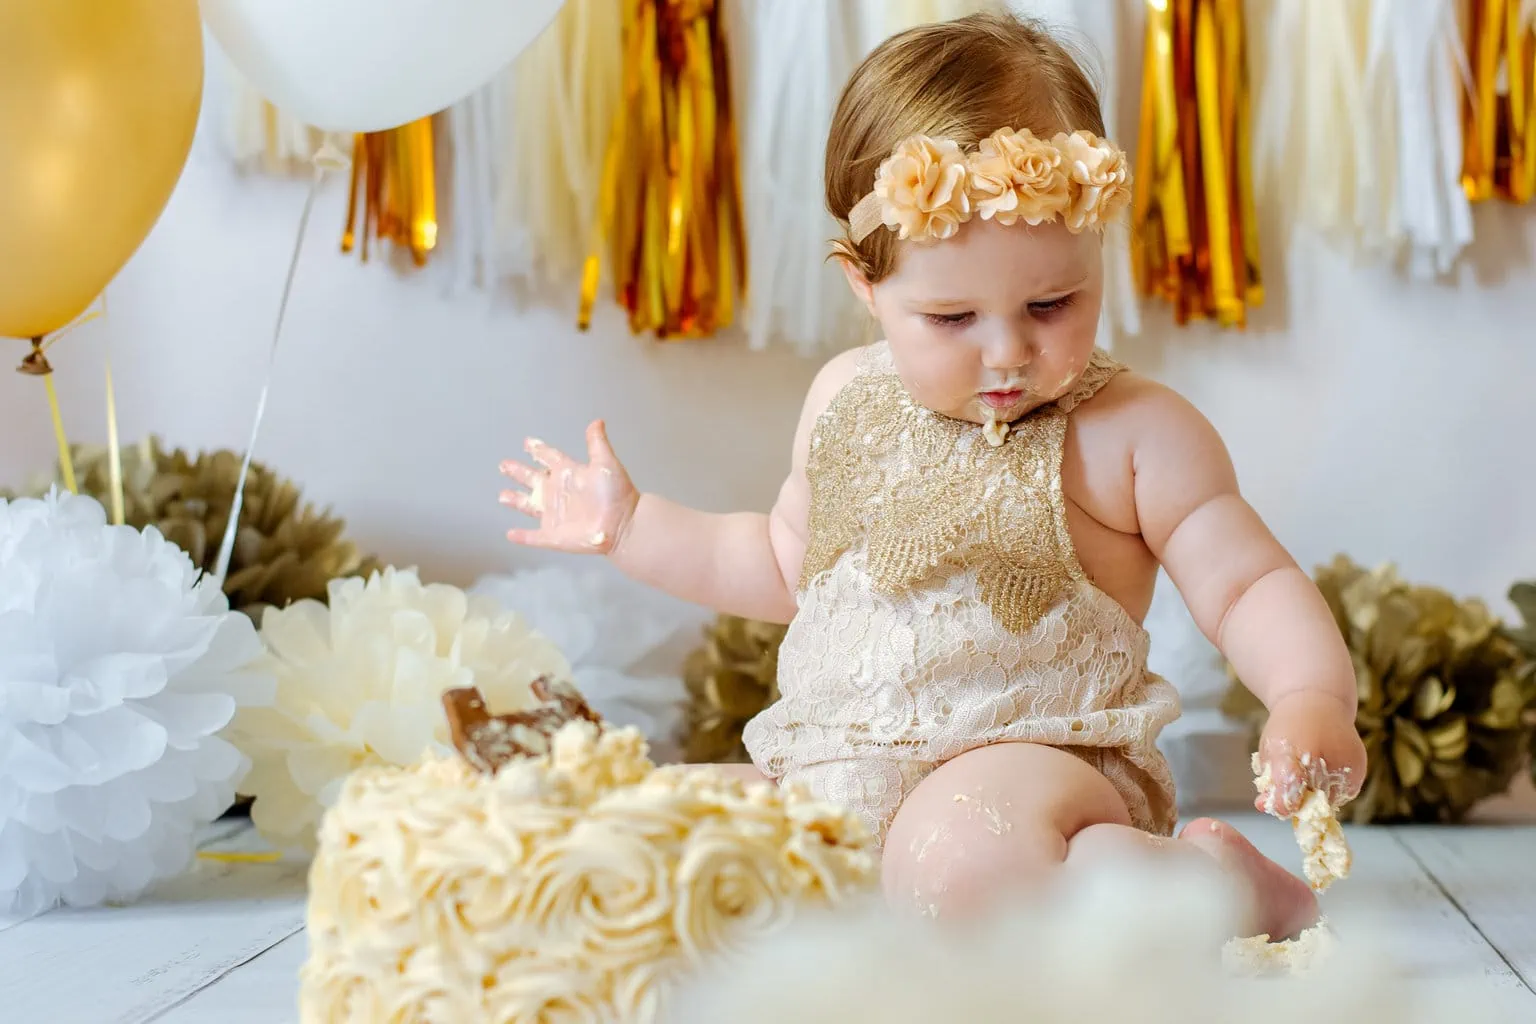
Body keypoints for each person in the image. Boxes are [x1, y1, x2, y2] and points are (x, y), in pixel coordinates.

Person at [498, 12, 1365, 940]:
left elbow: (1247, 585)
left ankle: (1211, 886)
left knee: (959, 861)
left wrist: (1312, 698)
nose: (1008, 351)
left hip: (1035, 777)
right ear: (866, 288)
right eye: (952, 317)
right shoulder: (843, 399)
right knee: (649, 825)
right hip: (832, 768)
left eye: (1052, 302)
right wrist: (632, 527)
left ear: (1097, 252)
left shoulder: (1135, 434)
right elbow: (783, 562)